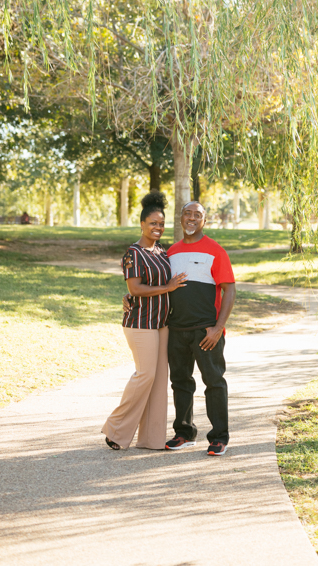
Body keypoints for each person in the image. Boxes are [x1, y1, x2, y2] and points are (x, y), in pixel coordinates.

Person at [101, 191, 187, 450]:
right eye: (153, 223)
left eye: (161, 224)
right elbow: (136, 288)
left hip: (162, 324)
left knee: (159, 379)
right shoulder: (133, 253)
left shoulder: (161, 251)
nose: (158, 227)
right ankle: (115, 430)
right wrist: (167, 288)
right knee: (145, 375)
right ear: (142, 224)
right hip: (140, 322)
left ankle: (151, 439)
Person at [164, 201, 236, 457]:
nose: (192, 218)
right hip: (177, 330)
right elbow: (160, 288)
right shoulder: (170, 252)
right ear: (181, 218)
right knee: (180, 382)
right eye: (187, 213)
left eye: (198, 215)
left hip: (207, 331)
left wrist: (218, 328)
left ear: (204, 221)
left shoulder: (216, 251)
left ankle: (219, 437)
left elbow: (229, 290)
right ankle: (184, 433)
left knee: (214, 382)